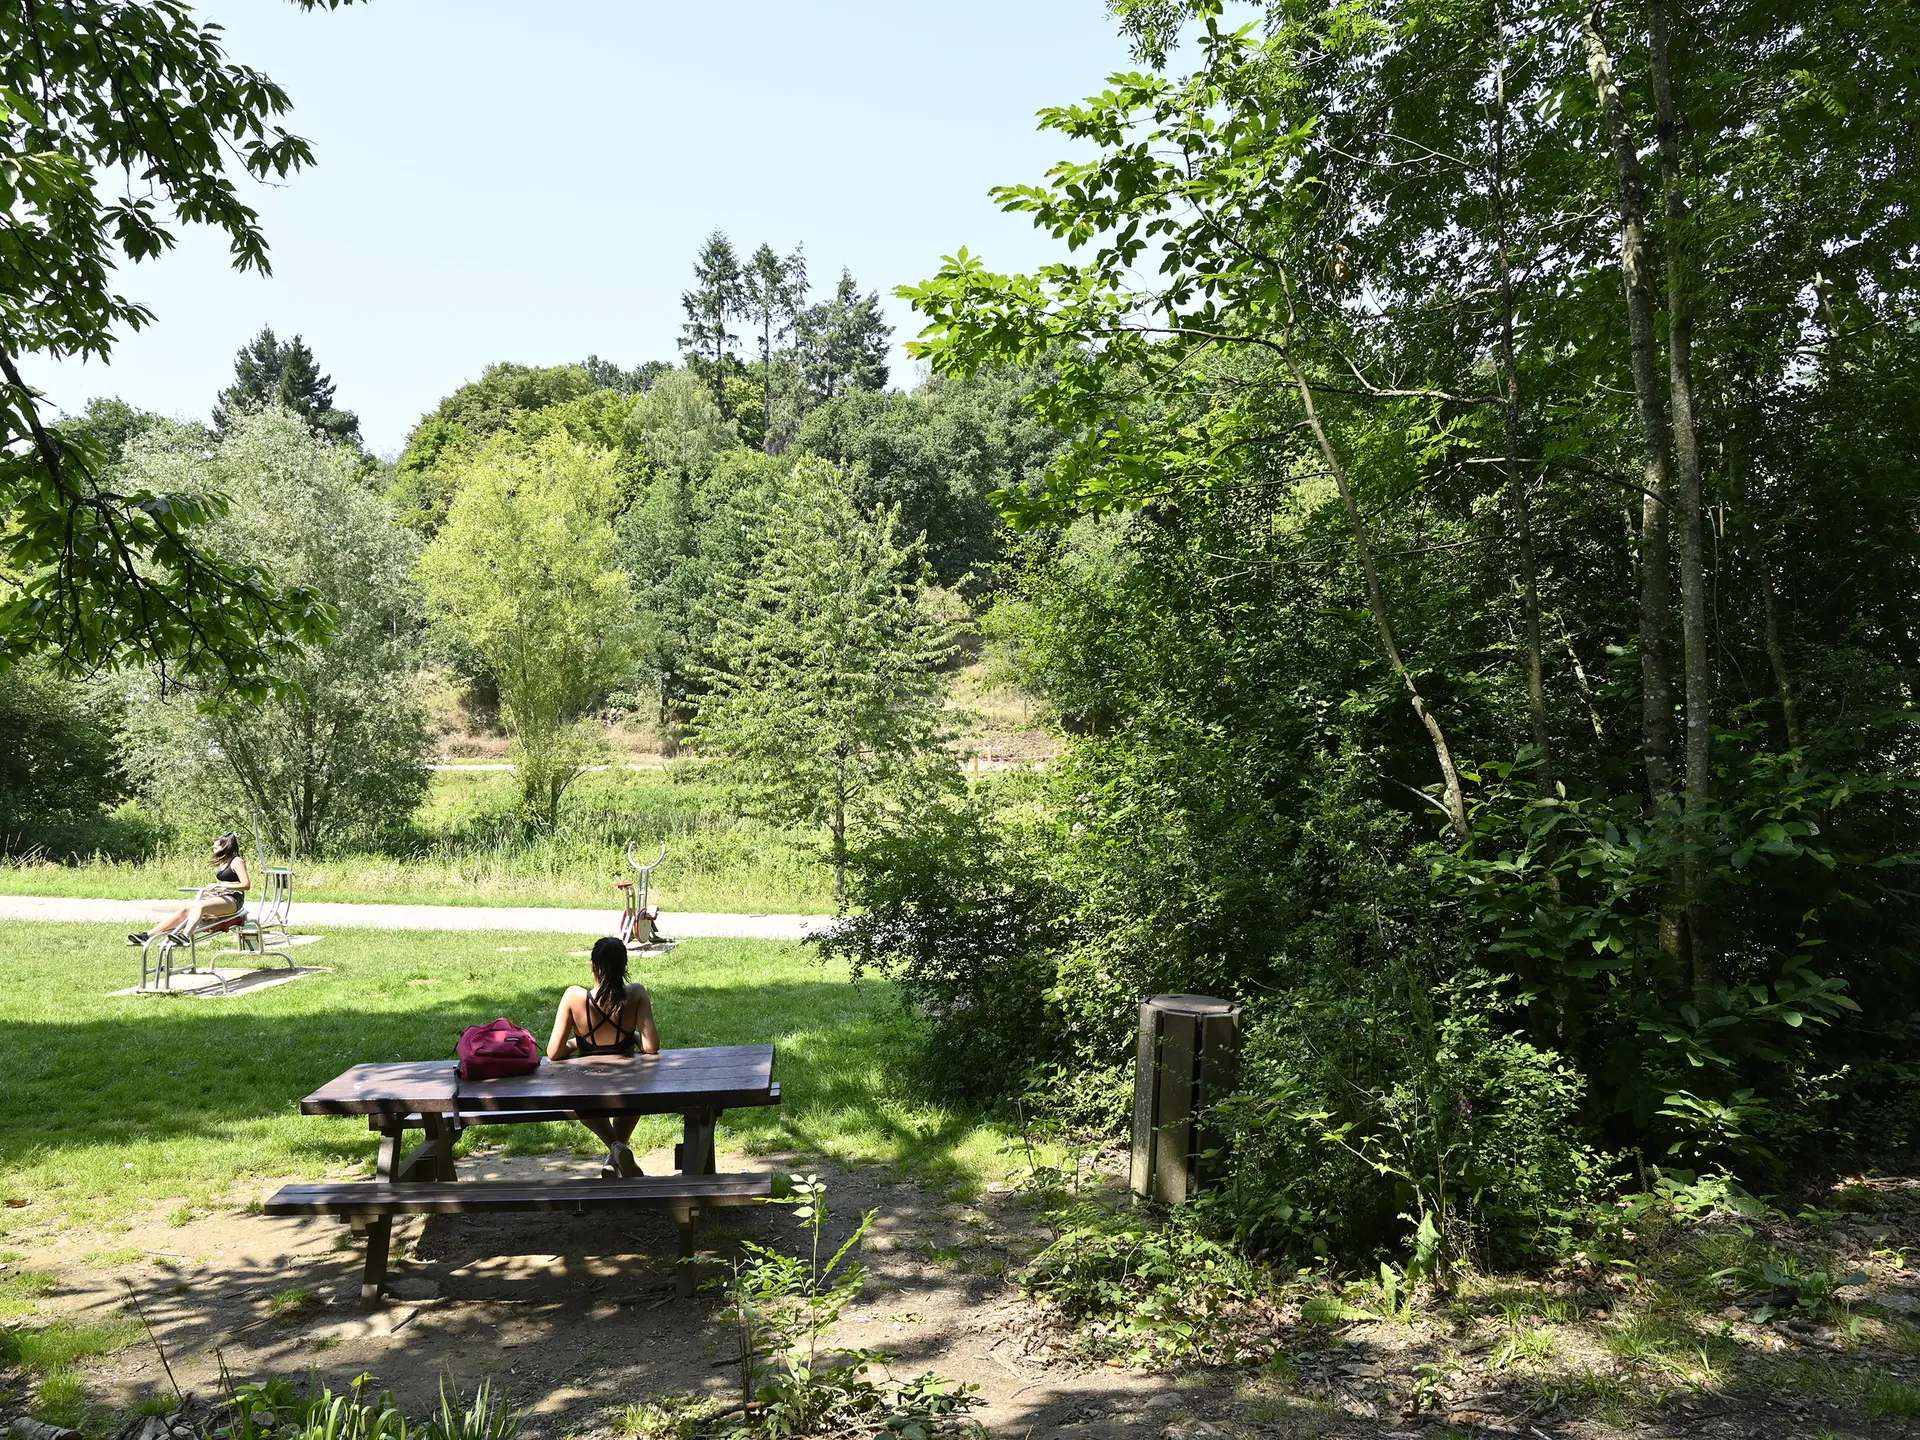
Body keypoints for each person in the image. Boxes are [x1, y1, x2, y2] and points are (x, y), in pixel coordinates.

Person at [546, 935, 660, 1177]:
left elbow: (554, 1052)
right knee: (634, 1101)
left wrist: (579, 1042)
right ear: (624, 966)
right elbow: (651, 1047)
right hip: (628, 1081)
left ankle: (614, 1149)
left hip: (587, 1082)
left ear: (593, 966)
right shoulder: (636, 994)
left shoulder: (574, 997)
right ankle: (616, 1152)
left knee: (578, 1102)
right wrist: (633, 1037)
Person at [129, 832, 249, 946]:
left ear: (225, 847)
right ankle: (147, 935)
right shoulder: (224, 862)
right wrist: (212, 892)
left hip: (234, 899)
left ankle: (185, 936)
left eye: (215, 848)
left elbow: (246, 884)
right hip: (222, 896)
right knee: (185, 910)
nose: (213, 850)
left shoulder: (237, 861)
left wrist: (221, 886)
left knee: (200, 906)